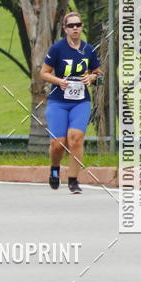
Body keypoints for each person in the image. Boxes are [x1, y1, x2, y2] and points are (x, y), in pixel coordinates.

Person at [40, 12, 101, 194]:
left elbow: (99, 73)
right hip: (58, 101)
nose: (75, 28)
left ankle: (73, 180)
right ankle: (55, 168)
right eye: (71, 25)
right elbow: (44, 72)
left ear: (81, 27)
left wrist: (92, 77)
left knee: (75, 138)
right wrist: (59, 81)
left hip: (80, 102)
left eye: (78, 25)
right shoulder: (57, 49)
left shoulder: (89, 50)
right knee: (58, 143)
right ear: (65, 29)